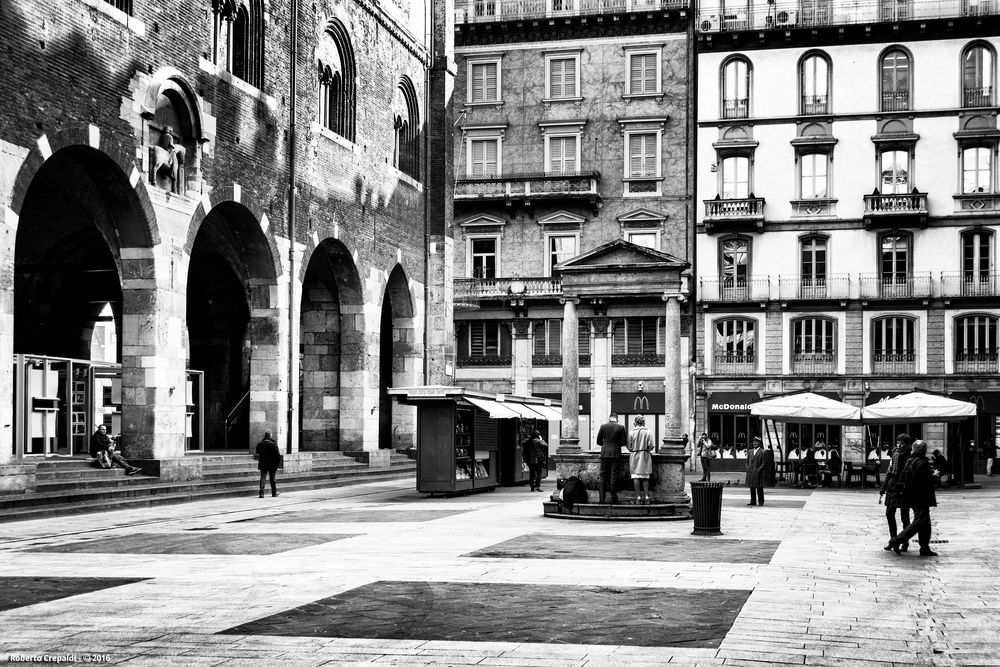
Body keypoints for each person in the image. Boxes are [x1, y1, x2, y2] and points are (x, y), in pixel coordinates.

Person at [888, 440, 938, 557]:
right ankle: (896, 540)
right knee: (919, 521)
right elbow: (925, 481)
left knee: (925, 522)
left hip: (912, 495)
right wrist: (935, 476)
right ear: (924, 450)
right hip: (921, 496)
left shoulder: (910, 460)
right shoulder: (922, 463)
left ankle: (924, 547)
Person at [880, 434, 913, 553]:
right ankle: (893, 539)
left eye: (902, 443)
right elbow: (889, 472)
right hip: (892, 487)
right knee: (889, 513)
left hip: (904, 488)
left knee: (905, 517)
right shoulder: (894, 455)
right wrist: (883, 488)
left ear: (908, 445)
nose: (899, 445)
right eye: (898, 443)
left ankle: (904, 541)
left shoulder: (910, 457)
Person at [596, 413, 626, 504]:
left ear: (609, 418)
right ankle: (614, 498)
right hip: (615, 454)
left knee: (602, 476)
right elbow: (624, 441)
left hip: (604, 453)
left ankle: (602, 499)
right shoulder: (621, 427)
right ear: (616, 419)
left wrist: (605, 445)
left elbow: (598, 441)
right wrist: (616, 445)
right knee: (614, 476)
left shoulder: (603, 426)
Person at [626, 416, 655, 504]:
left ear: (635, 422)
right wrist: (646, 449)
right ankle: (646, 497)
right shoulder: (649, 432)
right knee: (645, 477)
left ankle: (638, 497)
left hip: (634, 455)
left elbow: (629, 446)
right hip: (645, 455)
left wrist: (634, 449)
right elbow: (651, 446)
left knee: (636, 477)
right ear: (643, 422)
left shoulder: (631, 433)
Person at [255, 431, 282, 498]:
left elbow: (257, 452)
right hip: (272, 464)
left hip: (263, 463)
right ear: (270, 436)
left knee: (263, 477)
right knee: (272, 478)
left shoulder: (260, 444)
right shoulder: (273, 444)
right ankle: (274, 492)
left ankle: (261, 493)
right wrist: (277, 463)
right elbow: (277, 455)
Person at [745, 436, 766, 506]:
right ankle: (753, 501)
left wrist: (759, 469)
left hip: (758, 472)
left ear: (759, 443)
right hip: (751, 471)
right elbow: (747, 461)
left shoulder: (763, 452)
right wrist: (747, 468)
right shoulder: (750, 451)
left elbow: (764, 462)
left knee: (759, 487)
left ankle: (761, 501)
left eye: (756, 442)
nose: (754, 443)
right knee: (752, 487)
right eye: (753, 442)